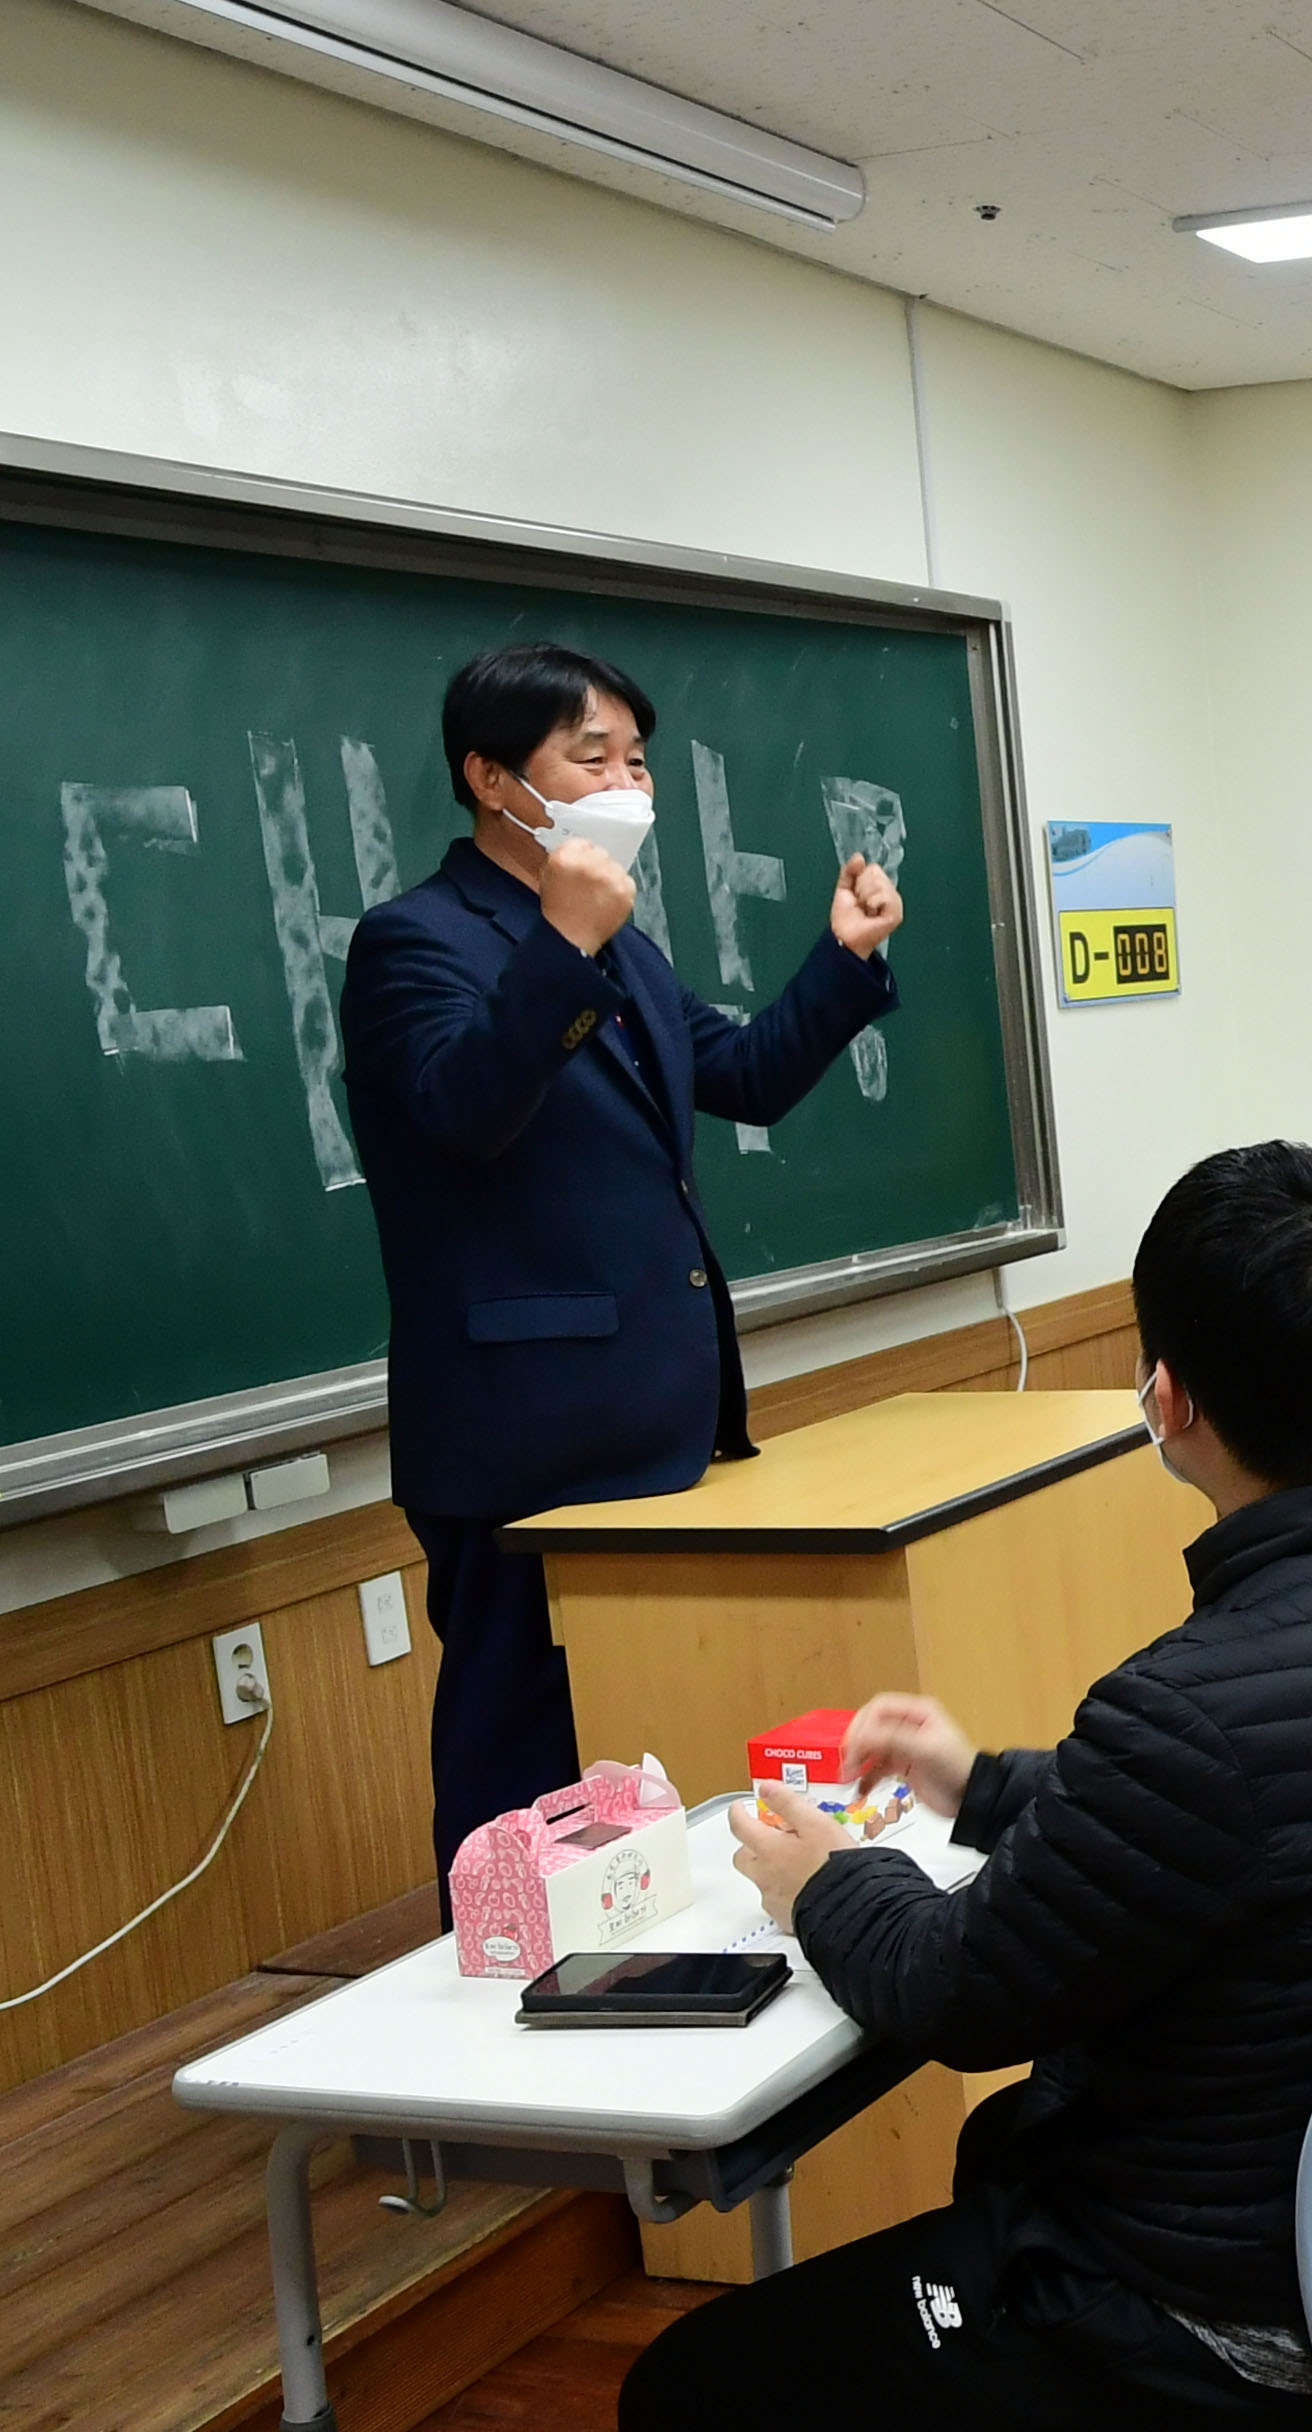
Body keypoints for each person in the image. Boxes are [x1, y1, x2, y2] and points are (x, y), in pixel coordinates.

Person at [621, 1142, 1312, 2429]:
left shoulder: (1192, 1707)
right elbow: (1260, 1804)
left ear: (1166, 1399)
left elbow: (955, 1990)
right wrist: (980, 1784)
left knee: (684, 2386)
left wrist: (824, 1881)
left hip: (1229, 2320)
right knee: (990, 2167)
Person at [342, 642, 901, 1887]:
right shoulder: (414, 940)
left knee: (646, 1746)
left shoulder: (623, 948)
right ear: (492, 778)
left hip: (658, 1421)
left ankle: (647, 1952)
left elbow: (743, 1073)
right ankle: (497, 1963)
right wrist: (561, 941)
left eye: (638, 760)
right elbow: (462, 1110)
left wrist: (844, 959)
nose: (627, 784)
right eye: (590, 757)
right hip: (520, 1440)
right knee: (518, 1760)